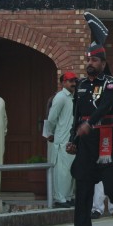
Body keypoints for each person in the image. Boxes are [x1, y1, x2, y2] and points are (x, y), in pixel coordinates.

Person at [65, 12, 113, 226]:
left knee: (112, 187)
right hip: (86, 143)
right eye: (88, 60)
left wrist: (91, 123)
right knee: (83, 189)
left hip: (108, 139)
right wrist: (72, 139)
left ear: (103, 63)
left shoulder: (110, 82)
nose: (90, 64)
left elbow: (106, 104)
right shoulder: (82, 86)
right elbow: (76, 116)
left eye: (95, 61)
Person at [46, 72, 77, 208]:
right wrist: (51, 132)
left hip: (72, 139)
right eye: (70, 81)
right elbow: (52, 119)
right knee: (62, 172)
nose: (73, 83)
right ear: (63, 83)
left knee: (71, 170)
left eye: (74, 81)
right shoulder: (60, 97)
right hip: (61, 140)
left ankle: (69, 197)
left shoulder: (74, 97)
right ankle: (60, 198)